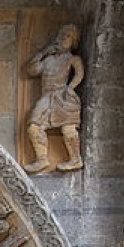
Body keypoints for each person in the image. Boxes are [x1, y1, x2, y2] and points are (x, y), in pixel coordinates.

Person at [24, 25, 85, 174]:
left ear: (73, 42)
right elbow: (32, 70)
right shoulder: (49, 59)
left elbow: (79, 73)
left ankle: (76, 159)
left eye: (68, 36)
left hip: (63, 96)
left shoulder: (72, 58)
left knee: (68, 128)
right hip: (47, 96)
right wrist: (43, 53)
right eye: (62, 35)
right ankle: (42, 158)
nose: (63, 38)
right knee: (33, 126)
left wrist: (70, 88)